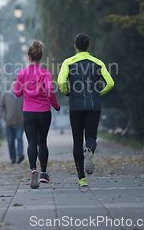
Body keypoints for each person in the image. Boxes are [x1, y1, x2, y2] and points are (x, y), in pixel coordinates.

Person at [57, 33, 114, 187]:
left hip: (76, 106)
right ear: (89, 46)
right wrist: (98, 93)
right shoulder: (98, 62)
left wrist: (68, 92)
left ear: (75, 46)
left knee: (77, 140)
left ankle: (82, 178)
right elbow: (110, 83)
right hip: (93, 106)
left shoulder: (68, 62)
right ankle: (89, 149)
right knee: (91, 137)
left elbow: (61, 81)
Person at [15, 40, 60, 189]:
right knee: (42, 142)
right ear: (41, 57)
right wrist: (56, 106)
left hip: (28, 112)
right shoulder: (45, 73)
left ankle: (32, 168)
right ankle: (43, 173)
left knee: (32, 142)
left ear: (29, 57)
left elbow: (17, 93)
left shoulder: (22, 73)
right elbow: (49, 91)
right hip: (43, 112)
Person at [0, 79, 25, 164]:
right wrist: (5, 117)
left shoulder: (23, 95)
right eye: (14, 85)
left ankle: (20, 155)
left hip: (20, 123)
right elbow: (1, 106)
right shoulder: (6, 95)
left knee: (19, 138)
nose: (15, 87)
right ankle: (13, 158)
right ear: (11, 85)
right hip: (9, 123)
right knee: (10, 142)